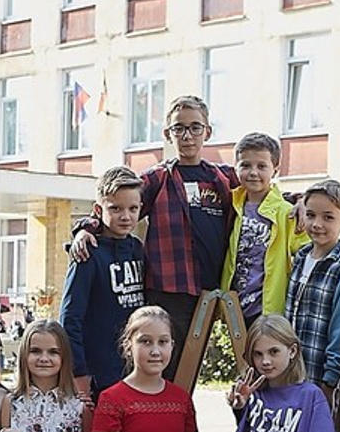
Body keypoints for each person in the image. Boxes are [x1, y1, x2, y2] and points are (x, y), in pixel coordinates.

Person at [70, 96, 236, 377]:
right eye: (178, 128)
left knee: (194, 372)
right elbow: (118, 203)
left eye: (195, 127)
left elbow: (266, 195)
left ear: (207, 132)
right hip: (170, 293)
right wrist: (85, 228)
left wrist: (302, 205)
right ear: (168, 134)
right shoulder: (158, 179)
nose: (187, 135)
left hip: (212, 293)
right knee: (166, 370)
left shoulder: (224, 179)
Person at [60, 166, 145, 400]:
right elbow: (70, 318)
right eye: (115, 208)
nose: (125, 216)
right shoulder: (87, 253)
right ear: (98, 210)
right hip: (98, 376)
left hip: (135, 372)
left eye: (133, 209)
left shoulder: (138, 249)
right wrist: (79, 372)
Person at [284, 179, 340, 396]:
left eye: (328, 217)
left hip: (320, 383)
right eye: (310, 215)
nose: (317, 224)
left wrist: (330, 382)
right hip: (289, 378)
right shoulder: (300, 258)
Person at [221, 133, 306, 325]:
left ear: (275, 170)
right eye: (245, 165)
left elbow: (314, 245)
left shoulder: (286, 213)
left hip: (267, 312)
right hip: (235, 310)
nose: (253, 172)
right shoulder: (231, 205)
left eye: (261, 166)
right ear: (235, 168)